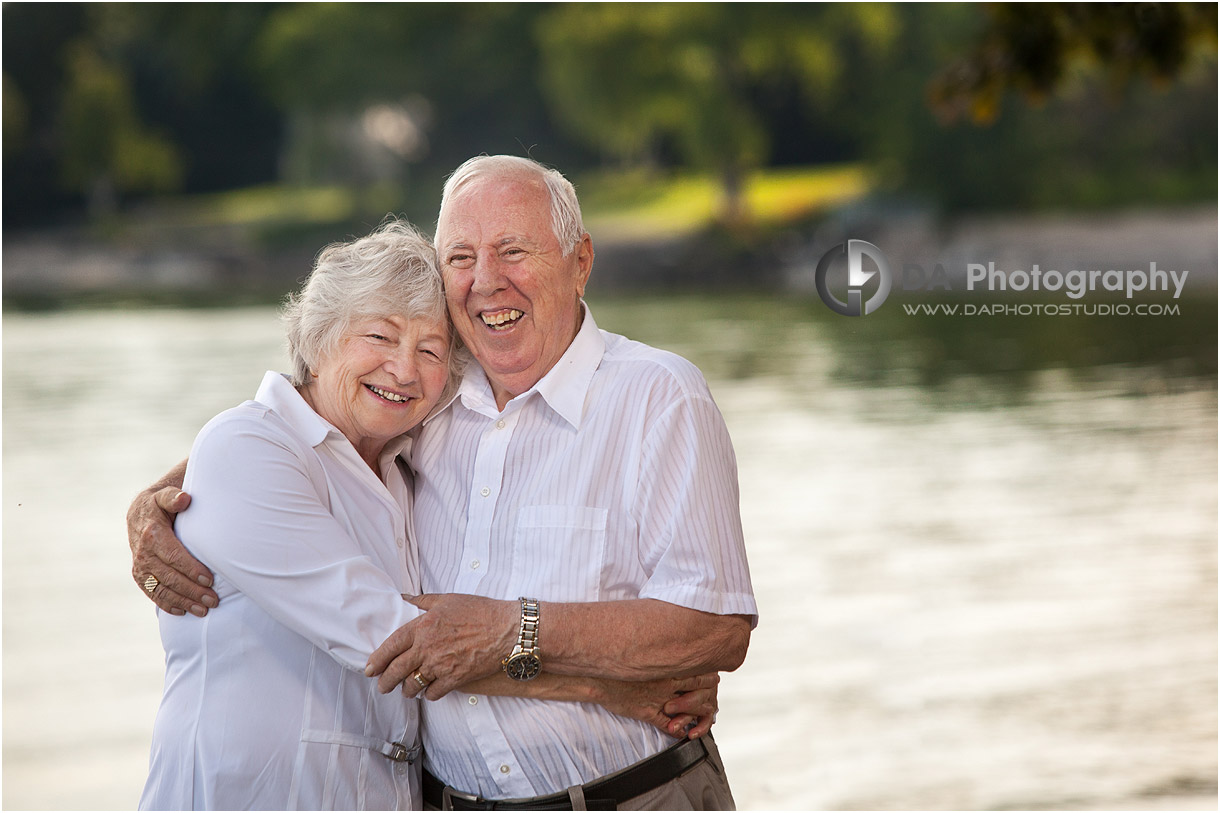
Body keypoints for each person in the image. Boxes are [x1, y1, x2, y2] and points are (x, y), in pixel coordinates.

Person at [130, 156, 757, 810]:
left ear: (580, 261)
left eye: (514, 250)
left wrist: (513, 629)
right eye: (460, 257)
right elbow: (295, 443)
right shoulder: (424, 410)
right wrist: (608, 687)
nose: (488, 281)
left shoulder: (656, 397)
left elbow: (718, 629)